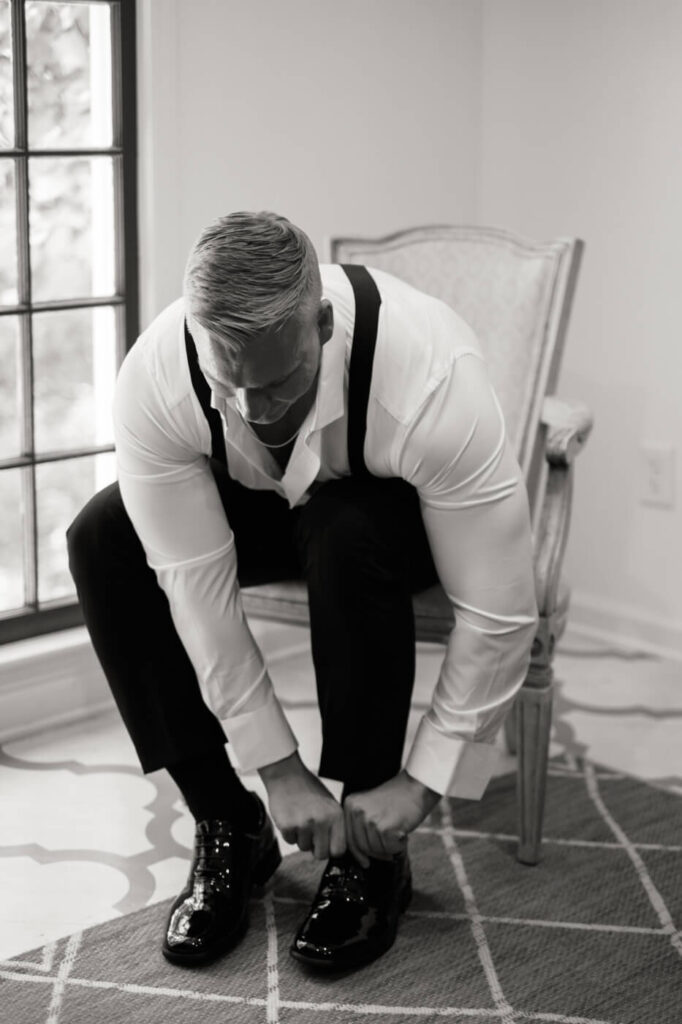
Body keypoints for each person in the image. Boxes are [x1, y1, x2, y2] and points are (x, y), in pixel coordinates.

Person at [67, 211, 538, 972]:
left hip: (391, 524)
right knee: (101, 536)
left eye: (278, 380)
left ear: (319, 324)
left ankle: (369, 849)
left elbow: (500, 607)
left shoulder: (429, 376)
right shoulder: (156, 377)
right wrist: (277, 769)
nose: (253, 408)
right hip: (259, 506)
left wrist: (421, 785)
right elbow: (196, 588)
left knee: (344, 527)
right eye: (230, 383)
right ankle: (228, 823)